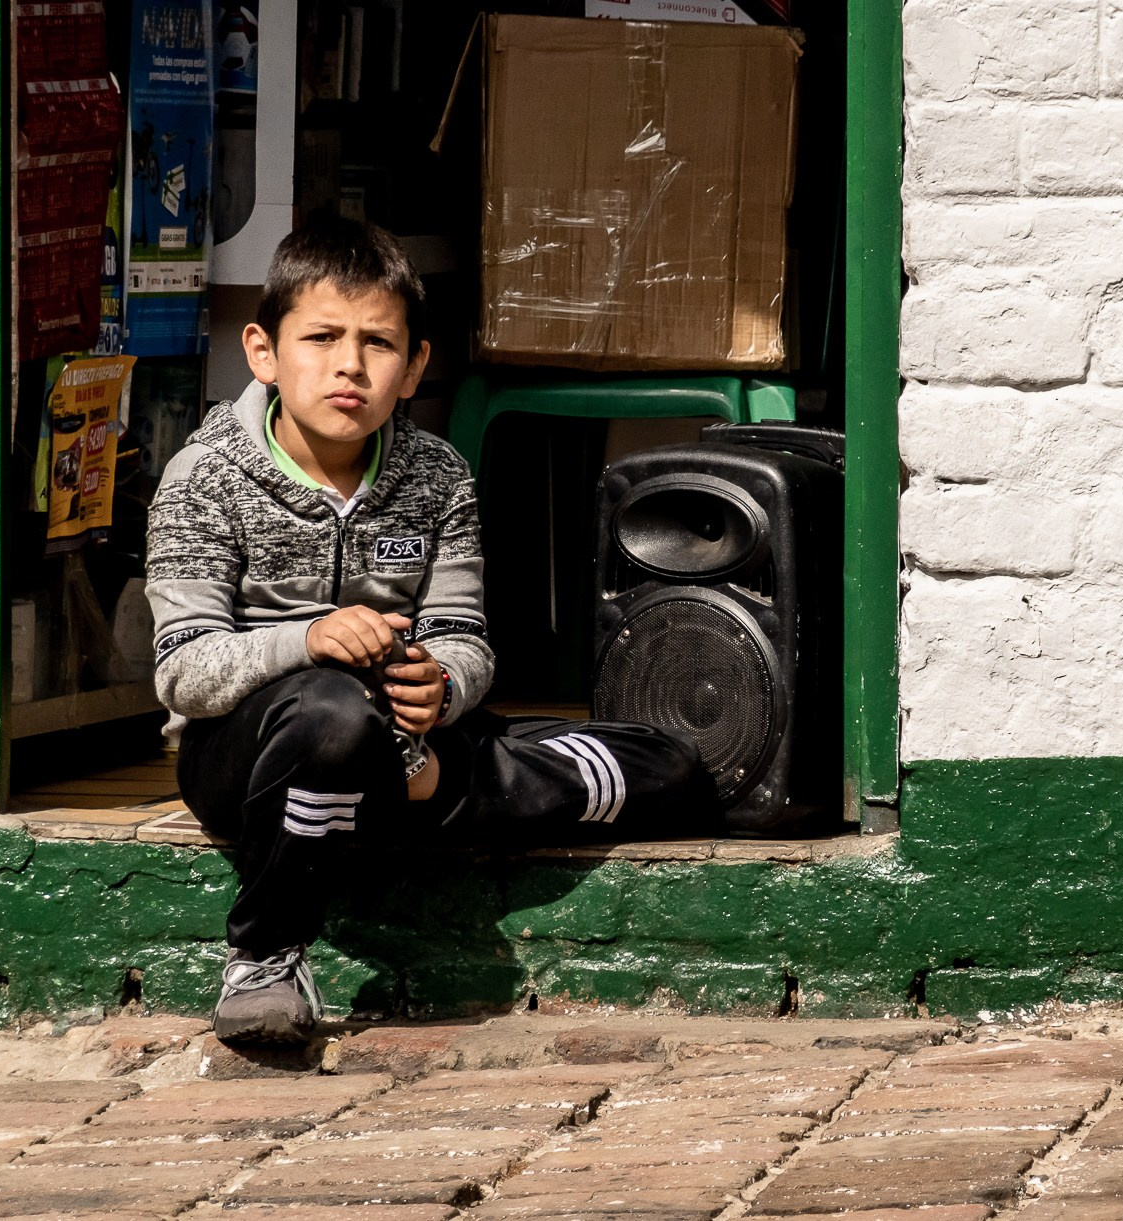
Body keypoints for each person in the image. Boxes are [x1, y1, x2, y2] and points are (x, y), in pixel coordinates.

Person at [146, 218, 717, 1045]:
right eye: (321, 337)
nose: (349, 364)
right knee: (332, 714)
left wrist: (442, 685)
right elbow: (184, 669)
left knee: (672, 770)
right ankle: (267, 955)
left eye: (378, 342)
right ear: (263, 352)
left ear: (414, 366)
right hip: (248, 752)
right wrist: (309, 640)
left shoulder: (436, 473)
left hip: (409, 746)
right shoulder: (203, 478)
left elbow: (465, 637)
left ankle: (421, 782)